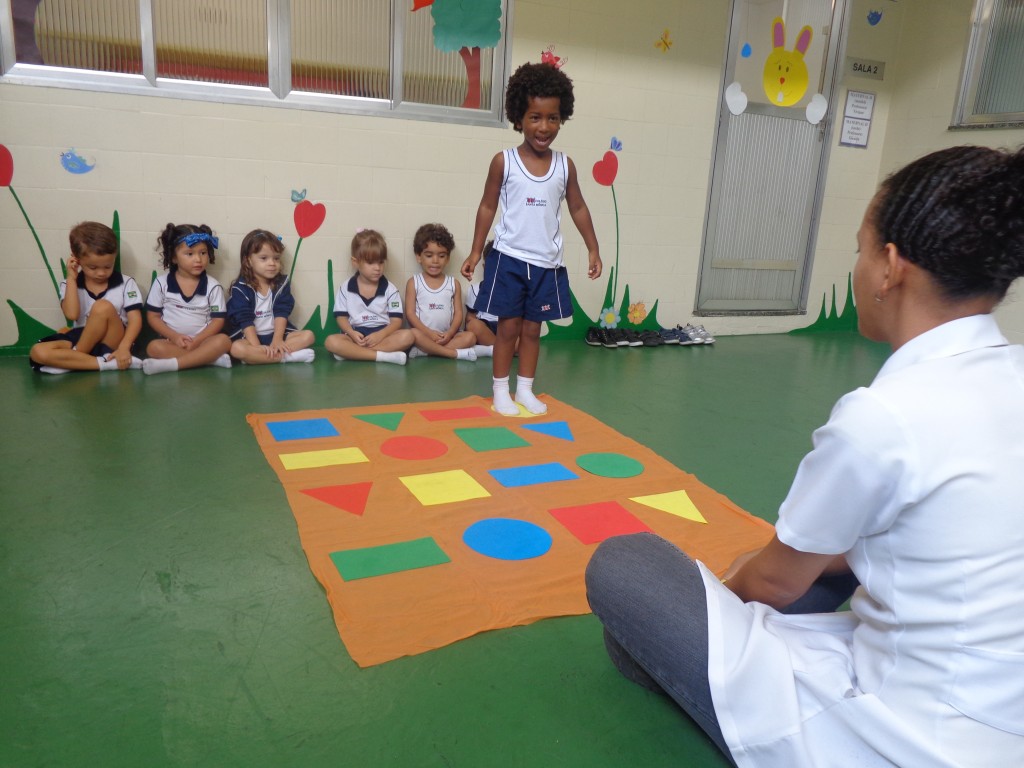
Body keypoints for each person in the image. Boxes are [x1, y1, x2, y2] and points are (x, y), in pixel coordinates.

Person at [585, 145, 1024, 768]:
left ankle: (680, 652)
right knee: (838, 553)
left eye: (861, 248)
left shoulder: (885, 415)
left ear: (890, 268)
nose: (859, 265)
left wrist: (711, 599)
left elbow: (771, 580)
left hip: (908, 738)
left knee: (624, 567)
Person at [461, 61, 602, 415]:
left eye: (552, 118)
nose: (544, 127)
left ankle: (524, 389)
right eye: (535, 117)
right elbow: (487, 206)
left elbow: (579, 207)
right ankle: (499, 392)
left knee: (532, 331)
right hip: (508, 259)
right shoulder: (503, 162)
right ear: (519, 117)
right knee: (507, 329)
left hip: (546, 264)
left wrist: (593, 248)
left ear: (562, 117)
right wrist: (477, 251)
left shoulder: (564, 166)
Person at [29, 221, 144, 374]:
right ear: (77, 259)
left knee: (102, 306)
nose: (102, 273)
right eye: (93, 267)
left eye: (108, 266)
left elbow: (135, 320)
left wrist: (124, 347)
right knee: (38, 351)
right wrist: (71, 278)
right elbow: (72, 314)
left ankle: (75, 359)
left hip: (112, 341)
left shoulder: (126, 283)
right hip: (81, 337)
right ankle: (105, 364)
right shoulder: (69, 284)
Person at [142, 223, 232, 375]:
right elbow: (153, 316)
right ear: (174, 258)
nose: (198, 259)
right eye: (190, 254)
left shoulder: (213, 286)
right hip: (173, 343)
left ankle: (173, 364)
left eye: (203, 253)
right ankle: (209, 360)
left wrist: (197, 340)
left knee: (224, 341)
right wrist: (174, 337)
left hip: (204, 342)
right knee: (153, 347)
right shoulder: (161, 283)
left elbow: (218, 321)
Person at [324, 229, 413, 365]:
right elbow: (341, 317)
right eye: (371, 263)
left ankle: (353, 354)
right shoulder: (346, 288)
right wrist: (351, 333)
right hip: (355, 336)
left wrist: (380, 335)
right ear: (355, 262)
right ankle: (383, 356)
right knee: (331, 341)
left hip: (383, 336)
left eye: (381, 262)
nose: (377, 268)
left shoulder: (390, 289)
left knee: (408, 336)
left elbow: (396, 322)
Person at [227, 229, 315, 364]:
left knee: (308, 336)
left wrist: (277, 340)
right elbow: (244, 320)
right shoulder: (241, 288)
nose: (272, 263)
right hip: (250, 338)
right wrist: (256, 346)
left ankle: (257, 358)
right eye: (264, 258)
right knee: (236, 349)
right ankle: (285, 357)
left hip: (276, 335)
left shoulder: (281, 283)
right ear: (248, 261)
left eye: (276, 258)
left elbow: (282, 311)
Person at [405, 223, 480, 361]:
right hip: (423, 336)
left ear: (448, 258)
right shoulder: (413, 282)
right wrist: (429, 333)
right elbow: (410, 314)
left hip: (448, 337)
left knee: (470, 337)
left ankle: (427, 352)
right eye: (429, 255)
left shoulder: (453, 284)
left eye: (441, 256)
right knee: (412, 334)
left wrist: (450, 333)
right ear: (418, 256)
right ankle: (451, 353)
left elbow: (458, 314)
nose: (435, 261)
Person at [464, 240, 498, 357]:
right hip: (485, 327)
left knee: (524, 336)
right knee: (473, 326)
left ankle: (491, 349)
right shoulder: (475, 289)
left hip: (507, 328)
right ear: (484, 267)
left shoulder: (515, 290)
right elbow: (470, 317)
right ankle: (501, 350)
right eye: (492, 268)